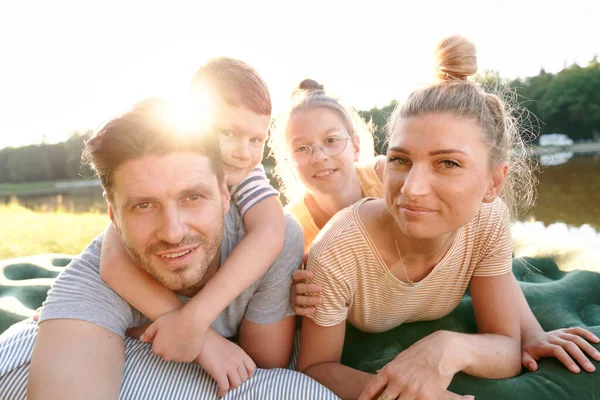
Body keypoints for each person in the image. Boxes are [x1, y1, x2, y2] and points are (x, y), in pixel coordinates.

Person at [269, 36, 600, 399]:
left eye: (448, 163)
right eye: (400, 160)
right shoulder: (332, 248)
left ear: (494, 181)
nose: (412, 189)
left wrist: (449, 348)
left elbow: (507, 349)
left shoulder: (488, 220)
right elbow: (316, 369)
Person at [0, 98, 339, 400]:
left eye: (193, 197)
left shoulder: (272, 240)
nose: (173, 233)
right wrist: (199, 340)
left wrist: (174, 329)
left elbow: (264, 364)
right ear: (112, 214)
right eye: (144, 206)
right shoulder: (92, 280)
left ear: (224, 194)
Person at [98, 58, 289, 394]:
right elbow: (112, 262)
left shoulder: (248, 177)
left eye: (256, 140)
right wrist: (185, 326)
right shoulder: (165, 168)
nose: (243, 153)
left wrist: (196, 319)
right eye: (228, 133)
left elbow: (271, 233)